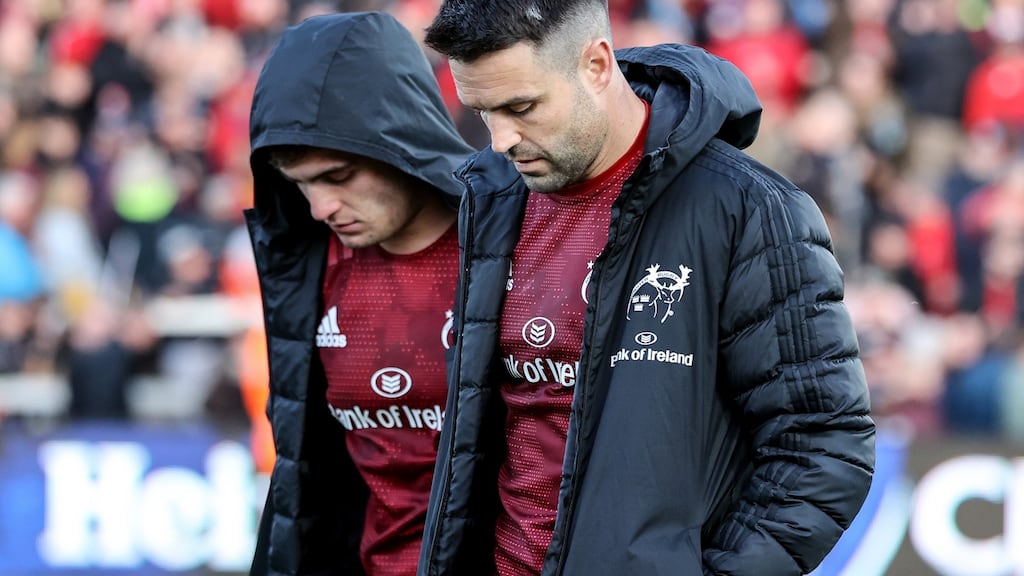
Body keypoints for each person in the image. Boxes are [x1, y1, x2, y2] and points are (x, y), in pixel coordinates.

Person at [417, 2, 876, 575]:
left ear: (596, 64)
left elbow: (822, 444)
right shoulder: (491, 201)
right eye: (484, 112)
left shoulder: (747, 209)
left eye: (521, 107)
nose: (502, 139)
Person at [246, 11, 474, 576]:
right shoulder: (308, 258)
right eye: (300, 184)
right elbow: (305, 468)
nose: (319, 208)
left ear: (401, 141)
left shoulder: (508, 242)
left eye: (338, 175)